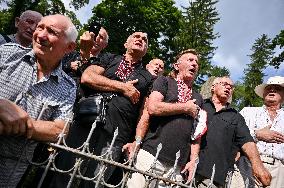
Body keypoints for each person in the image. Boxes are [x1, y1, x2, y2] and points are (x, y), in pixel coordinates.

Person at [0, 14, 78, 187]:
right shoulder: (6, 53)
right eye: (40, 27)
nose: (40, 35)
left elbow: (60, 130)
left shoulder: (68, 87)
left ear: (69, 47)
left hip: (10, 170)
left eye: (51, 31)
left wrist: (22, 123)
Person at [126, 49, 203, 187]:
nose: (194, 64)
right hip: (150, 155)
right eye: (190, 60)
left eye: (196, 62)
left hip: (177, 167)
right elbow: (152, 108)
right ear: (176, 65)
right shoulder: (164, 81)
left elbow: (197, 133)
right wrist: (137, 142)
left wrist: (193, 161)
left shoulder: (198, 98)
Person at [49, 26, 109, 188]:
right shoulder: (69, 53)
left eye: (101, 37)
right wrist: (69, 66)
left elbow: (92, 81)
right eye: (95, 34)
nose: (97, 38)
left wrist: (84, 59)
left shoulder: (103, 64)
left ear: (105, 45)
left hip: (77, 118)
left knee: (62, 166)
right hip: (52, 109)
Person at [195, 76, 271, 188]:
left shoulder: (236, 117)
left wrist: (258, 166)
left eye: (231, 87)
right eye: (224, 84)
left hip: (212, 176)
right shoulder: (199, 105)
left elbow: (247, 142)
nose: (228, 88)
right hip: (186, 166)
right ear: (213, 87)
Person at [232, 76, 284, 188]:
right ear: (264, 93)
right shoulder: (248, 112)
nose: (272, 90)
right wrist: (257, 134)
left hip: (279, 169)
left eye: (277, 88)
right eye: (269, 88)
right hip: (247, 164)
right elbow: (232, 134)